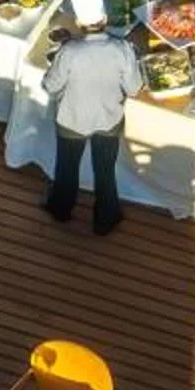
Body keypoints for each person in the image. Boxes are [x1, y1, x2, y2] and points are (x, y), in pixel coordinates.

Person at [41, 21, 146, 232]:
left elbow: (51, 86)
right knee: (105, 171)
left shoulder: (69, 50)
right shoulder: (122, 49)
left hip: (72, 119)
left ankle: (60, 209)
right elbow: (134, 89)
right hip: (108, 119)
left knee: (66, 169)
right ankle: (106, 218)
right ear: (104, 22)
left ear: (80, 24)